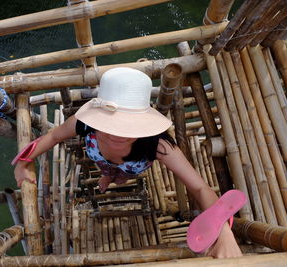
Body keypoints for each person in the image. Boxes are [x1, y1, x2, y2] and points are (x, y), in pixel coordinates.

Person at [13, 67, 243, 258]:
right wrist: (23, 163)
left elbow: (200, 187)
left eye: (128, 126)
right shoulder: (83, 123)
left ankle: (116, 177)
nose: (117, 135)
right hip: (101, 161)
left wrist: (223, 232)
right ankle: (108, 175)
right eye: (110, 125)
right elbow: (52, 136)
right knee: (108, 170)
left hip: (133, 167)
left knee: (124, 175)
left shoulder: (158, 146)